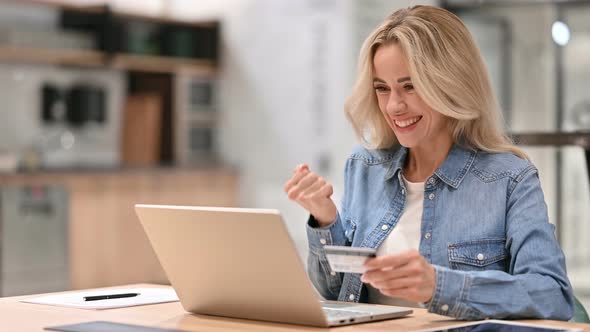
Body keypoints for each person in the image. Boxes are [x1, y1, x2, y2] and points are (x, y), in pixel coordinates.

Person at [283, 5, 574, 321]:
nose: (394, 105)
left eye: (410, 86)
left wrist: (439, 286)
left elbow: (552, 296)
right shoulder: (364, 167)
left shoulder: (510, 179)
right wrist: (325, 220)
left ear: (449, 82)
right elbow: (334, 293)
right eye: (382, 88)